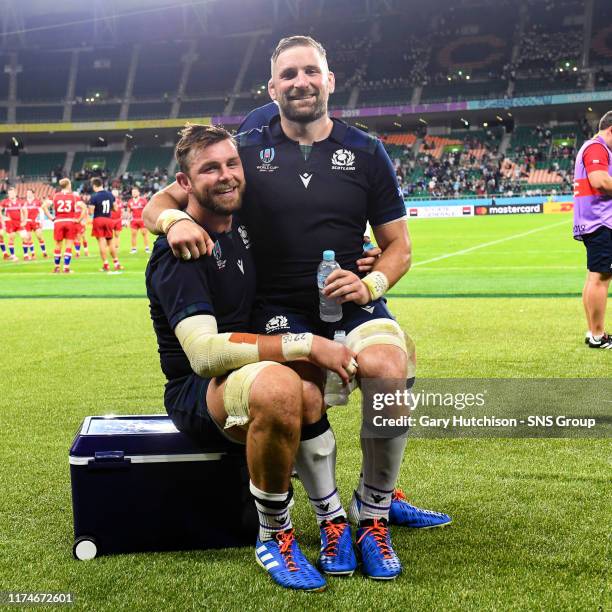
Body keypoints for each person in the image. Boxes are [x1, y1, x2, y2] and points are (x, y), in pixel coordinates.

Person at [143, 36, 450, 581]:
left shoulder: (365, 151)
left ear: (330, 80)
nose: (301, 82)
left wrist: (373, 281)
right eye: (289, 75)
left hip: (351, 297)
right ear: (272, 88)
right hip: (277, 307)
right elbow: (164, 199)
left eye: (312, 71)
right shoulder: (244, 148)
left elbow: (399, 245)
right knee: (301, 395)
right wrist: (176, 222)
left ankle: (373, 512)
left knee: (387, 370)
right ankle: (332, 518)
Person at [146, 123, 358, 591]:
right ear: (184, 184)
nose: (225, 176)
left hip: (244, 371)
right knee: (282, 383)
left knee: (303, 381)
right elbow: (203, 355)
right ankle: (275, 535)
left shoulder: (237, 221)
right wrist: (307, 344)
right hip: (196, 392)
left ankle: (332, 516)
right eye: (209, 169)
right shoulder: (179, 251)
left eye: (231, 163)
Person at [573, 110, 612, 349]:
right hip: (601, 221)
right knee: (601, 278)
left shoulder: (593, 147)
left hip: (593, 221)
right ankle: (598, 336)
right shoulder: (597, 148)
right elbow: (600, 181)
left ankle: (593, 332)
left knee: (593, 278)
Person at [42, 178, 85, 274]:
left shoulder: (55, 196)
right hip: (70, 221)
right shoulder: (74, 196)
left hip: (59, 222)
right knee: (69, 245)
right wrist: (79, 220)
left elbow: (44, 206)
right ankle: (66, 268)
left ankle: (56, 268)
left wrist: (51, 218)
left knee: (57, 245)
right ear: (68, 185)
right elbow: (84, 208)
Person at [89, 178, 123, 273]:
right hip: (109, 220)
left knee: (101, 242)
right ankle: (116, 263)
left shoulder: (94, 196)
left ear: (95, 186)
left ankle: (106, 265)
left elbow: (91, 211)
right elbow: (115, 209)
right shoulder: (110, 194)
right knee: (110, 242)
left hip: (98, 219)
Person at [1, 187, 25, 261]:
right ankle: (12, 255)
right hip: (10, 223)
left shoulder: (20, 201)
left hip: (18, 223)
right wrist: (3, 219)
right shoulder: (5, 202)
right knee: (11, 238)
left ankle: (26, 254)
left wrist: (24, 220)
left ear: (15, 193)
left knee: (25, 237)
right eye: (9, 193)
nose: (11, 194)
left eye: (12, 193)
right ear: (8, 194)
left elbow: (22, 211)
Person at [23, 189, 48, 259]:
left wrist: (42, 221)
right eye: (27, 193)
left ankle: (44, 252)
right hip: (27, 221)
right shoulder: (24, 203)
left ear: (33, 194)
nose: (28, 194)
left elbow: (42, 212)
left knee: (39, 236)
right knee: (28, 238)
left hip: (35, 221)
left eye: (30, 193)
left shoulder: (37, 202)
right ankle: (33, 254)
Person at [127, 187, 150, 254]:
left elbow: (147, 210)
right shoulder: (130, 201)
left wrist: (147, 219)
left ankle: (147, 248)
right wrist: (128, 221)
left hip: (142, 220)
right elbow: (129, 212)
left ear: (138, 193)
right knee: (133, 235)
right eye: (132, 192)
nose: (133, 193)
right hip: (134, 220)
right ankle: (134, 249)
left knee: (144, 234)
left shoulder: (143, 200)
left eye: (135, 192)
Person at [110, 188, 124, 253]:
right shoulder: (109, 201)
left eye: (116, 193)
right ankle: (111, 248)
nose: (115, 194)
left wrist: (123, 219)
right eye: (113, 193)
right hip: (110, 220)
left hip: (118, 220)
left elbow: (122, 211)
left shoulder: (120, 202)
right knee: (109, 235)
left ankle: (116, 248)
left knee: (117, 235)